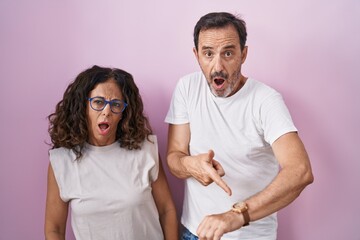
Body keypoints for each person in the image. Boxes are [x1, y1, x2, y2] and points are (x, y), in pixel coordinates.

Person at [165, 12, 314, 240]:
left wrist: (237, 215)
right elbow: (174, 156)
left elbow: (300, 172)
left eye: (228, 53)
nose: (218, 66)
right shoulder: (187, 88)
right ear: (196, 55)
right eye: (208, 53)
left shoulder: (266, 101)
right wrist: (190, 165)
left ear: (243, 54)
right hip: (193, 232)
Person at [45, 65, 178, 240]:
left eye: (115, 104)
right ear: (82, 106)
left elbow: (166, 210)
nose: (106, 111)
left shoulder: (145, 149)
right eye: (98, 102)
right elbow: (54, 229)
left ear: (124, 113)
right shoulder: (61, 162)